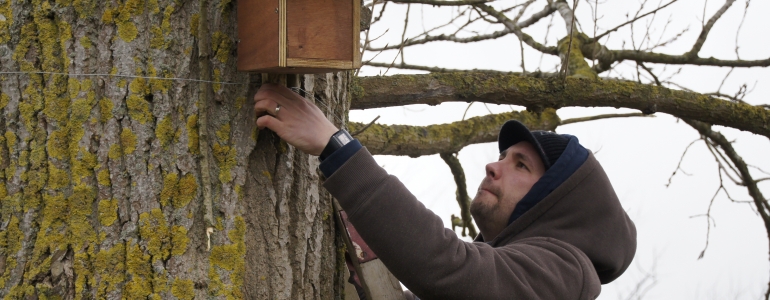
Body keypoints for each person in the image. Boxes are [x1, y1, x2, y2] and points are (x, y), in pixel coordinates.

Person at [253, 84, 637, 299]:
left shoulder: (568, 272)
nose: (493, 165)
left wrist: (336, 147)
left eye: (521, 164)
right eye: (502, 155)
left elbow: (453, 268)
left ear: (556, 198)